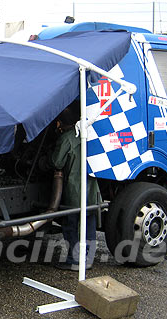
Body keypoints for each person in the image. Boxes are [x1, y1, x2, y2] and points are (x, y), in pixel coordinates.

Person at [50, 102, 101, 271]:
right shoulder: (90, 133)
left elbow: (57, 162)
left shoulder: (66, 138)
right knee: (89, 224)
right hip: (92, 189)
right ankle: (89, 258)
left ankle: (74, 260)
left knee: (72, 224)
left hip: (74, 190)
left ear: (61, 122)